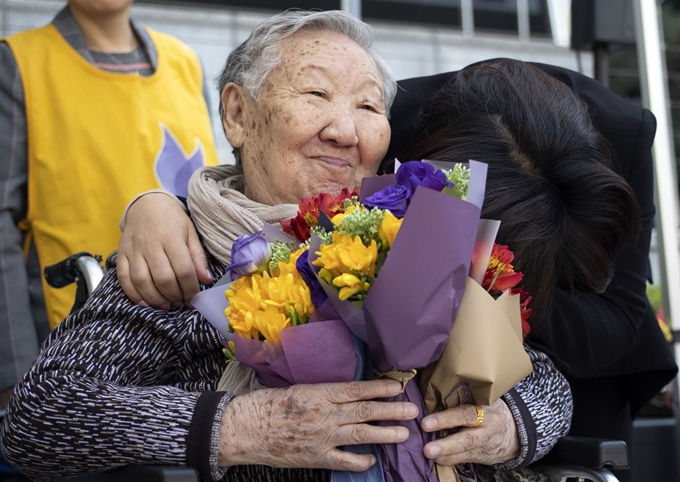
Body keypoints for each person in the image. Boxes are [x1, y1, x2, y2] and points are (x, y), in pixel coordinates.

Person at [0, 12, 581, 482]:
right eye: (315, 93)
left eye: (368, 106)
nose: (344, 129)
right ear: (237, 114)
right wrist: (245, 426)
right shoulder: (185, 255)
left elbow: (539, 375)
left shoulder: (410, 233)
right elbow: (40, 416)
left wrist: (513, 424)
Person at [118, 55, 679, 482]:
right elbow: (263, 180)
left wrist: (477, 295)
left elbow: (623, 317)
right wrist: (154, 204)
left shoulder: (624, 138)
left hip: (574, 357)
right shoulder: (391, 123)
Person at [0, 0, 219, 413]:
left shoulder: (185, 63)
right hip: (73, 351)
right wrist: (14, 379)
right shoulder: (18, 64)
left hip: (188, 351)